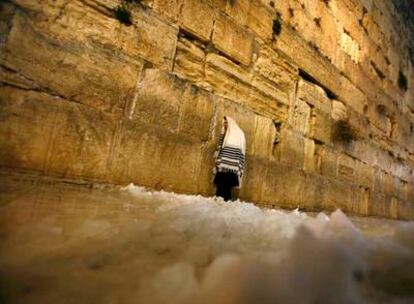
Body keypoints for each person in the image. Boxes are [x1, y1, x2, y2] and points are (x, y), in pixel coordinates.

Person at [213, 116, 246, 201]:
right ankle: (220, 203)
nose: (224, 125)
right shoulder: (226, 133)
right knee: (221, 185)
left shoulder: (238, 134)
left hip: (231, 166)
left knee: (227, 186)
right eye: (224, 123)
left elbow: (241, 149)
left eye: (226, 123)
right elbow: (221, 146)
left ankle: (225, 203)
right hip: (223, 165)